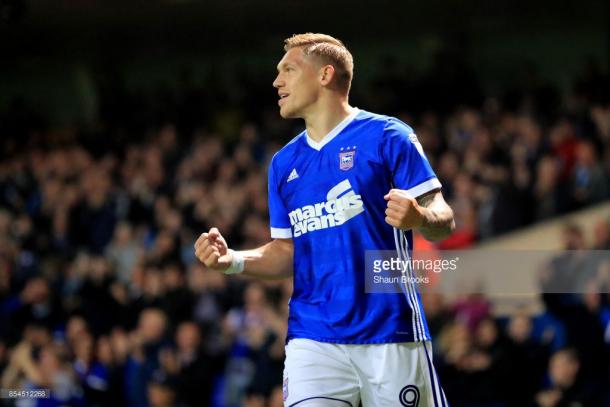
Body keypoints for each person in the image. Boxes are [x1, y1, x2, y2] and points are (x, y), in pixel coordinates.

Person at [195, 33, 455, 406]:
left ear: (325, 74)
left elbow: (443, 218)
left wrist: (419, 215)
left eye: (288, 70)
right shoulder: (283, 164)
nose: (276, 81)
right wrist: (233, 260)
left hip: (389, 329)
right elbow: (287, 250)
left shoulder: (388, 135)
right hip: (312, 337)